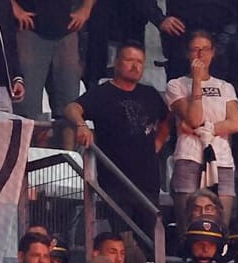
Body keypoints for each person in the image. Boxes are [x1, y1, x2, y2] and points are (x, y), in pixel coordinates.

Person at [64, 41, 165, 237]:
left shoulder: (150, 94)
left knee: (149, 241)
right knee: (122, 239)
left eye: (139, 62)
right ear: (117, 62)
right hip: (115, 181)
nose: (135, 66)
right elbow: (72, 108)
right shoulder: (102, 93)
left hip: (149, 182)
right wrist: (81, 125)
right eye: (129, 60)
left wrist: (159, 141)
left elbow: (166, 118)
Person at [165, 31, 238, 230]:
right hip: (189, 156)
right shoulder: (176, 84)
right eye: (195, 49)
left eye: (205, 49)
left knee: (221, 222)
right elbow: (194, 118)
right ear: (188, 53)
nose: (200, 54)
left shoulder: (225, 87)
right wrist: (197, 82)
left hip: (221, 159)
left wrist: (206, 129)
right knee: (188, 221)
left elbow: (234, 123)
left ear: (213, 53)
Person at [11, 0, 90, 120]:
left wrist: (86, 9)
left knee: (68, 108)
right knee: (26, 109)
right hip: (29, 29)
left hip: (68, 30)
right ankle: (29, 138)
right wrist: (13, 7)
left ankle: (64, 138)